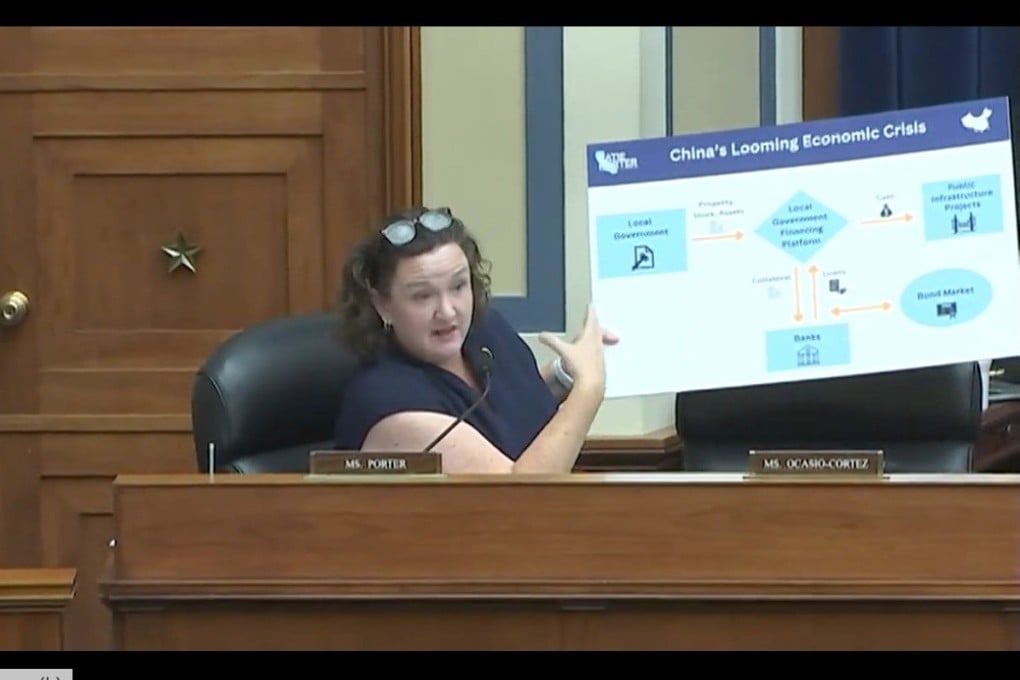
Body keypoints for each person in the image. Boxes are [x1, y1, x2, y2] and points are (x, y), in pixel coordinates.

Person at [332, 205, 618, 473]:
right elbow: (521, 497)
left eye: (458, 286)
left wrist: (566, 375)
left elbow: (505, 415)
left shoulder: (485, 332)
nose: (447, 311)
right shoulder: (390, 404)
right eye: (422, 296)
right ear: (382, 304)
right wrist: (589, 389)